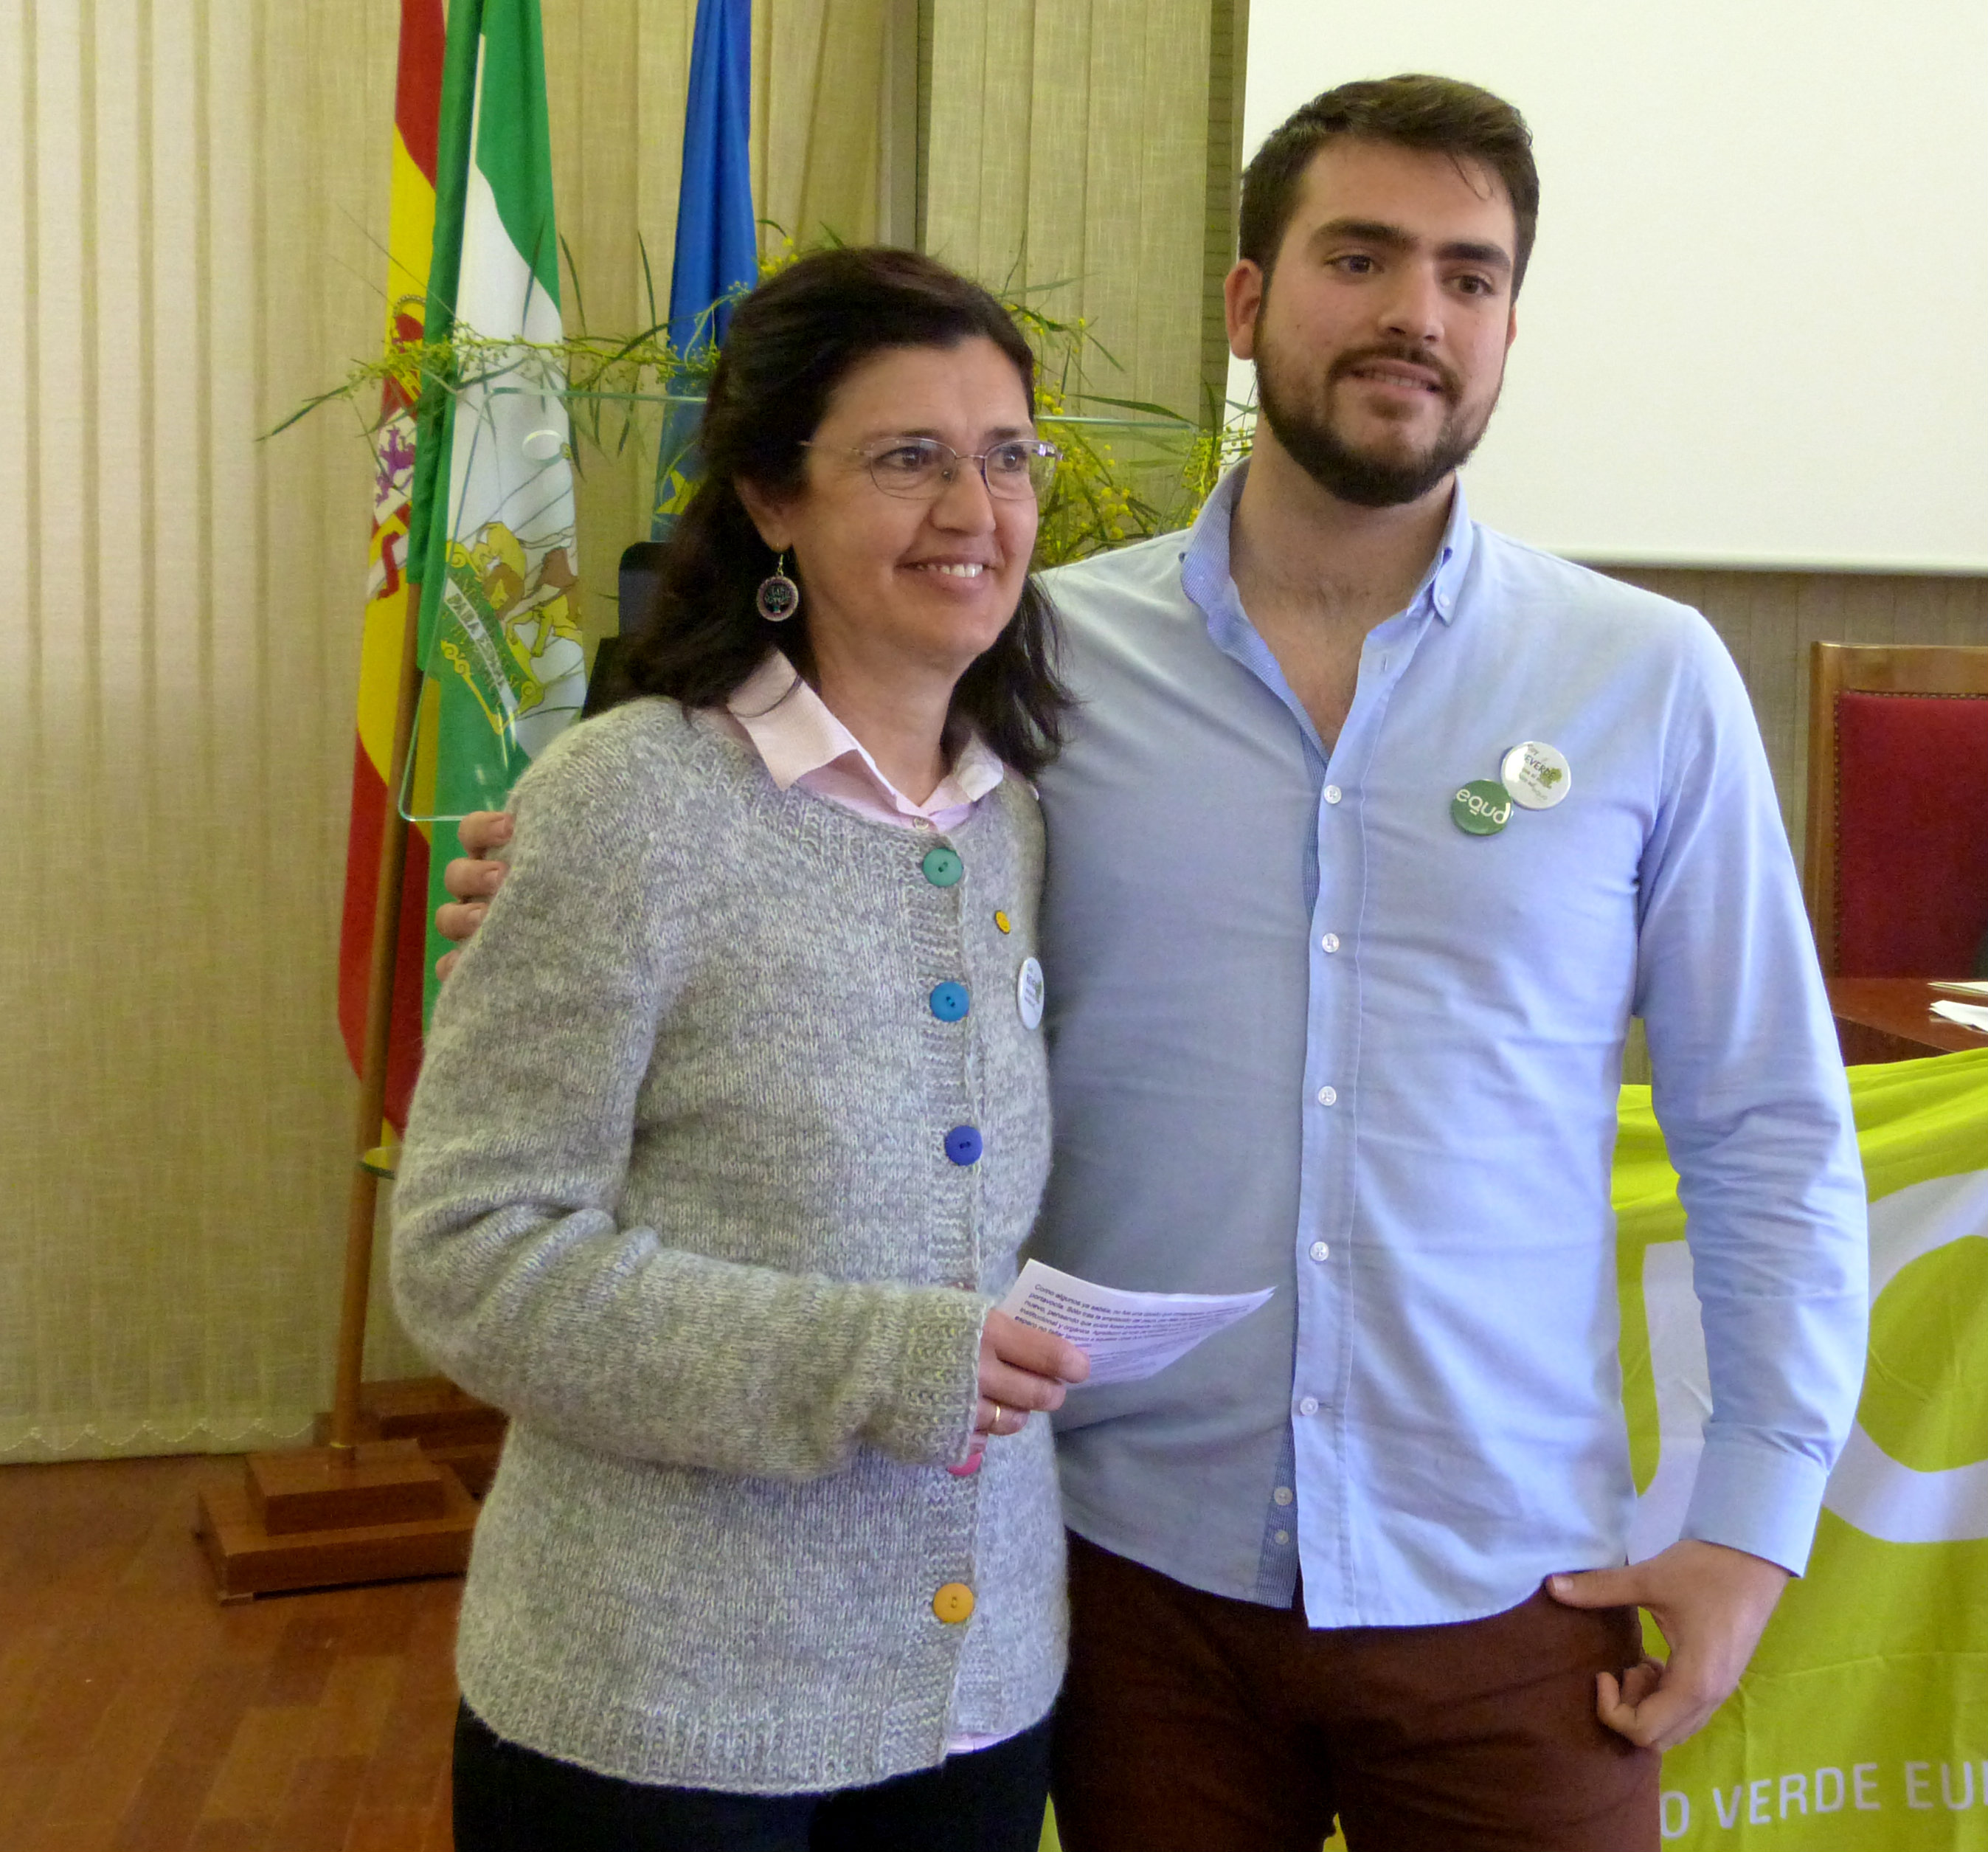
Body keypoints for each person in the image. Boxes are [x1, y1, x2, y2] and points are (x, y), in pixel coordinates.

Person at [437, 77, 1869, 1852]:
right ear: (1252, 303)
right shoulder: (1034, 665)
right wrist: (568, 850)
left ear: (1509, 324)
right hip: (1130, 1588)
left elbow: (1766, 1130)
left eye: (1471, 275)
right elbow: (790, 817)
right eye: (1359, 256)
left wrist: (1753, 1515)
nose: (1416, 312)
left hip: (1515, 1586)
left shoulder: (1645, 680)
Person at [393, 245, 1089, 1852]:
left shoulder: (1015, 825)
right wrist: (875, 1361)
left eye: (1006, 457)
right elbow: (469, 1253)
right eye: (906, 458)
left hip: (974, 1693)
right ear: (772, 499)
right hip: (664, 1708)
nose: (972, 510)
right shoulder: (633, 801)